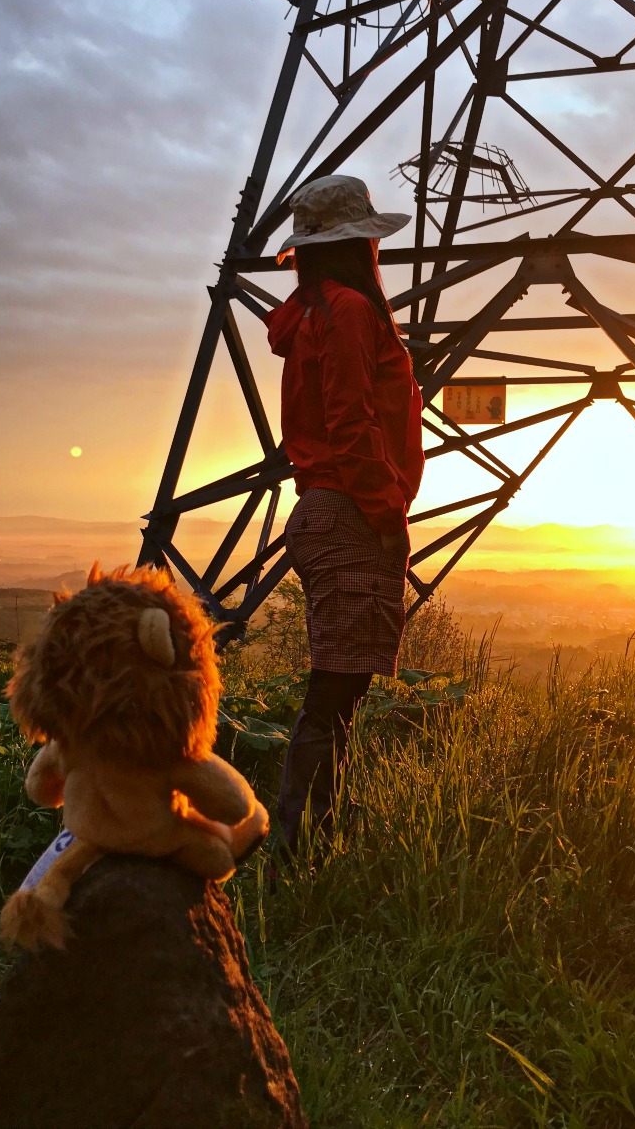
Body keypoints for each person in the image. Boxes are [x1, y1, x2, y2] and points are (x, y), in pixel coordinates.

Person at [264, 173, 424, 858]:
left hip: (326, 508)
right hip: (349, 511)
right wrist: (388, 515)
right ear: (359, 244)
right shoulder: (351, 311)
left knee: (341, 682)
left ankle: (312, 834)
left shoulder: (312, 313)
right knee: (335, 686)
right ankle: (296, 845)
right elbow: (351, 424)